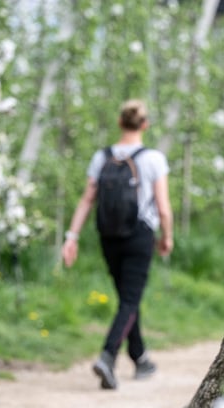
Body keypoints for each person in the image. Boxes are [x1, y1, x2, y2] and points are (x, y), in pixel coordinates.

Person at [61, 99, 174, 389]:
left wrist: (71, 237)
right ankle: (108, 356)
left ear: (120, 123)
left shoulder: (102, 157)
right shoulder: (153, 159)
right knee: (130, 299)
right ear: (145, 125)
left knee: (126, 297)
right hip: (139, 234)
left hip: (108, 236)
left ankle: (140, 357)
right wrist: (167, 237)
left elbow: (87, 199)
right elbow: (163, 208)